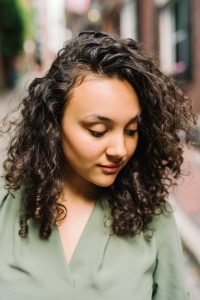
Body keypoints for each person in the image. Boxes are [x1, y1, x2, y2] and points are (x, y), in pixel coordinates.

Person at [0, 31, 196, 300]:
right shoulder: (5, 204)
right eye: (97, 131)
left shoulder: (152, 213)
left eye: (131, 130)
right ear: (53, 125)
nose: (119, 150)